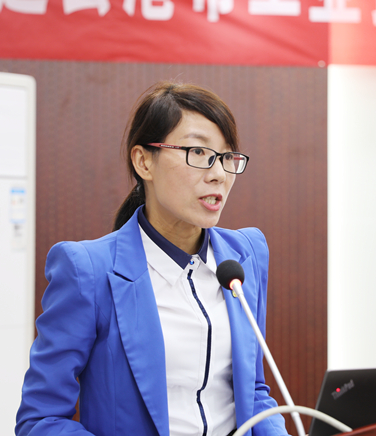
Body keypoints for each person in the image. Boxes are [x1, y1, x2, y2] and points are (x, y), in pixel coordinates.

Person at [16, 82, 288, 436]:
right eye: (198, 152)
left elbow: (252, 391)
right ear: (144, 161)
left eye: (226, 157)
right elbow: (40, 421)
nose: (219, 174)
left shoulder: (245, 255)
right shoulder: (88, 271)